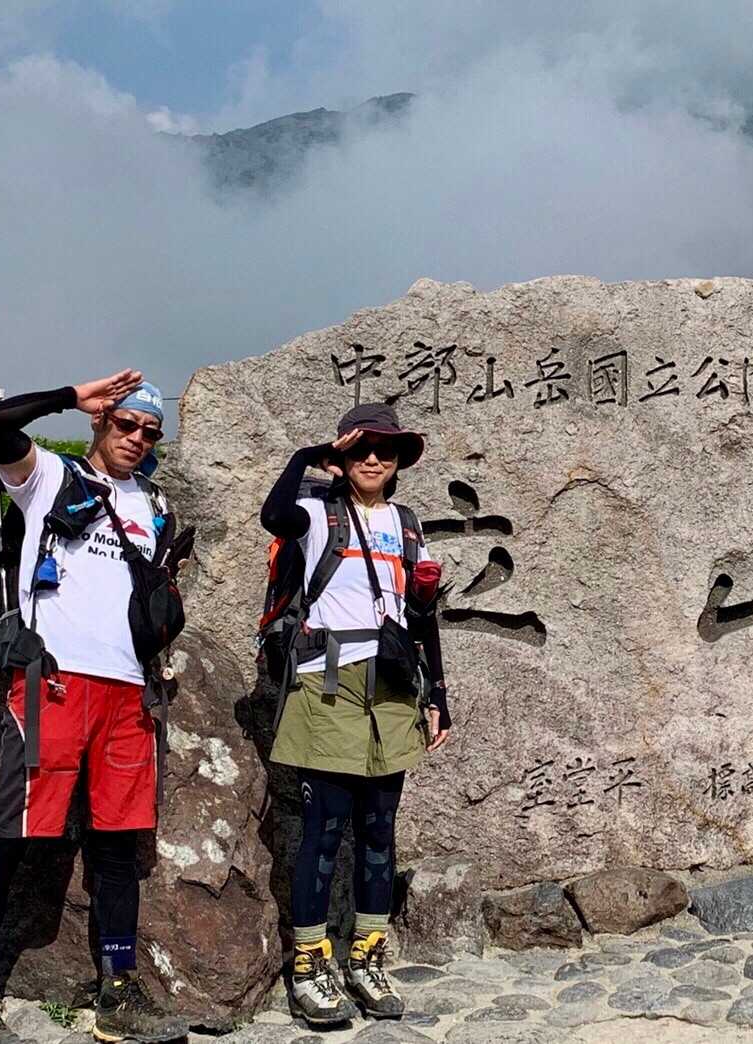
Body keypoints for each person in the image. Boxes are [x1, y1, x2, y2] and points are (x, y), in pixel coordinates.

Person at [0, 372, 188, 1044]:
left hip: (128, 692)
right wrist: (68, 397)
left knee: (117, 843)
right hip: (51, 684)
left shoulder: (156, 504)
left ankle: (119, 991)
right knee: (14, 836)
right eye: (126, 424)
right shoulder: (50, 477)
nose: (137, 438)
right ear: (101, 422)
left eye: (150, 432)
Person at [259, 402, 451, 1027]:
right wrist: (306, 457)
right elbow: (273, 515)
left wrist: (438, 695)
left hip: (392, 687)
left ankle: (367, 957)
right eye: (362, 447)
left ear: (399, 461)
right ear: (342, 454)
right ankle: (309, 965)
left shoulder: (407, 523)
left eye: (385, 449)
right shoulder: (317, 511)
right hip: (329, 684)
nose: (374, 458)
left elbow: (420, 616)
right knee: (323, 830)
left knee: (379, 830)